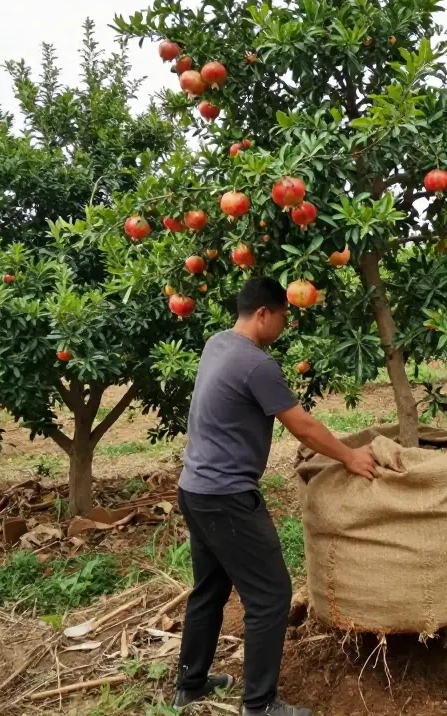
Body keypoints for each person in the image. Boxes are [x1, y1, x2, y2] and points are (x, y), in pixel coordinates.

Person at [173, 277, 377, 714]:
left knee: (209, 588)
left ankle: (190, 685)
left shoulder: (217, 343)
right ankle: (260, 704)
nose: (285, 325)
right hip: (226, 497)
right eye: (283, 317)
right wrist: (348, 457)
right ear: (264, 313)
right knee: (270, 597)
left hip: (194, 488)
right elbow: (300, 425)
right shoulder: (256, 363)